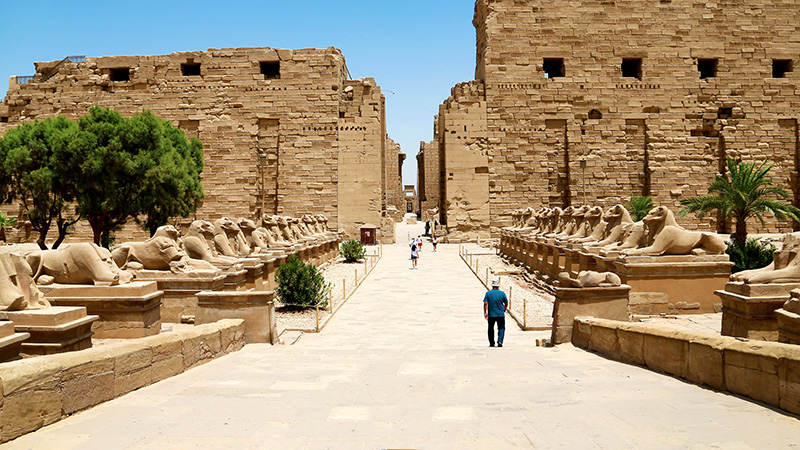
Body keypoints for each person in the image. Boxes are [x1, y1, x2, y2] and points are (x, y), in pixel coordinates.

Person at [483, 279, 508, 347]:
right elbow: (506, 302)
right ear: (498, 286)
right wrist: (504, 309)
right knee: (501, 328)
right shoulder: (502, 293)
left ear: (492, 286)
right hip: (500, 314)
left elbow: (485, 303)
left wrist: (485, 312)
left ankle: (491, 342)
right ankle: (500, 341)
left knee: (490, 328)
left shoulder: (488, 293)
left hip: (491, 314)